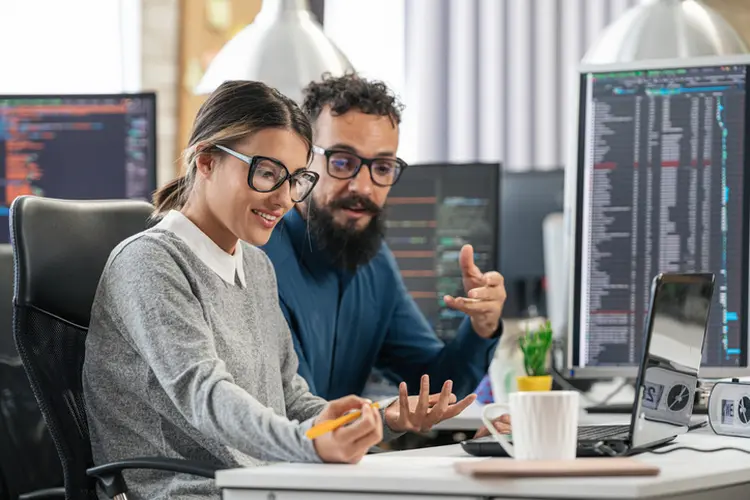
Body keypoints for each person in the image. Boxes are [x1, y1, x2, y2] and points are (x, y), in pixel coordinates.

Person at [82, 80, 474, 500]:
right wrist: (308, 445)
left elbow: (291, 399)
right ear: (207, 161)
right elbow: (205, 396)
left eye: (295, 180)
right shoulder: (151, 261)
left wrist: (381, 418)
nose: (284, 199)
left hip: (264, 485)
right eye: (267, 173)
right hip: (186, 491)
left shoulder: (255, 265)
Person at [260, 73, 507, 404]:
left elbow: (436, 388)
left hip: (339, 454)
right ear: (303, 160)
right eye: (343, 162)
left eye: (382, 167)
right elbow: (293, 414)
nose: (363, 187)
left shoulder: (375, 264)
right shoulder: (258, 258)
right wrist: (385, 421)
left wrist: (481, 327)